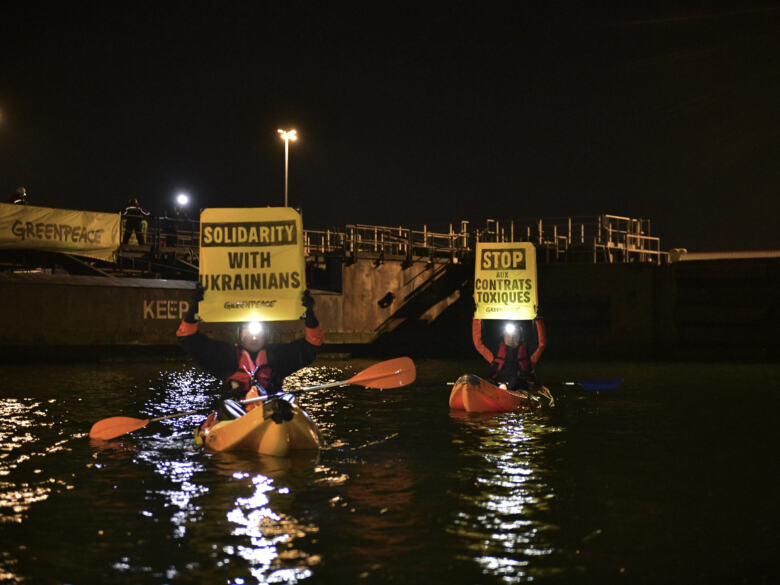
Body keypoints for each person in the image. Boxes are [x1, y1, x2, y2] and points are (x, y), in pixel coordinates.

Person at [176, 286, 324, 425]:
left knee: (289, 399)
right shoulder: (225, 355)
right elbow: (188, 339)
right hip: (237, 411)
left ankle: (278, 421)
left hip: (271, 409)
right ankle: (248, 424)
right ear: (239, 334)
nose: (254, 337)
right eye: (248, 331)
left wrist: (309, 315)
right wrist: (193, 310)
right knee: (227, 404)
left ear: (265, 335)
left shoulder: (278, 355)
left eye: (258, 333)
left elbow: (313, 344)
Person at [472, 304, 550, 399]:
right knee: (487, 382)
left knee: (515, 381)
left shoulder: (529, 352)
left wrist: (538, 319)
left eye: (515, 335)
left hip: (519, 387)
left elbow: (541, 343)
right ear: (503, 337)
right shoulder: (495, 352)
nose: (511, 338)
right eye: (508, 336)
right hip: (498, 386)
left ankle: (507, 392)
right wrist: (477, 317)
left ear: (521, 337)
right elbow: (479, 343)